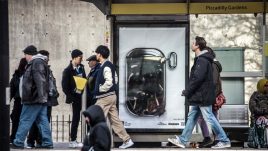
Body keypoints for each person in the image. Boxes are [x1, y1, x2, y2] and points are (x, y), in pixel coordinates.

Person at [167, 36, 231, 149]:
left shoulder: (202, 60)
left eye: (193, 43)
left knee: (209, 117)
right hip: (200, 95)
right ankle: (182, 140)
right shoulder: (202, 59)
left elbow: (197, 78)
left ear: (197, 46)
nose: (192, 44)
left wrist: (188, 91)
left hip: (202, 95)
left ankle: (224, 140)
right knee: (192, 116)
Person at [12, 45, 53, 149]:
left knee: (25, 119)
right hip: (39, 98)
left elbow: (40, 81)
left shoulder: (36, 62)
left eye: (25, 54)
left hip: (33, 99)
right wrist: (43, 98)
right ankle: (48, 143)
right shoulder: (39, 62)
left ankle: (18, 141)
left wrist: (41, 97)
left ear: (29, 54)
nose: (25, 57)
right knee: (42, 121)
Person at [94, 45, 134, 149]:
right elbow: (115, 79)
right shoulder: (109, 65)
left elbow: (110, 82)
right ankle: (127, 140)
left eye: (96, 53)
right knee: (115, 121)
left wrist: (100, 88)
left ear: (100, 54)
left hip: (104, 97)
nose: (95, 55)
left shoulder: (105, 66)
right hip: (111, 96)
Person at [26, 50, 59, 148]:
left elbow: (51, 85)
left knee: (42, 121)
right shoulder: (40, 68)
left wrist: (55, 93)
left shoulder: (47, 69)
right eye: (47, 57)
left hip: (46, 100)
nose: (48, 59)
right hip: (42, 100)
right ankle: (32, 141)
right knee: (38, 121)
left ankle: (38, 141)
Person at [197, 47, 223, 148]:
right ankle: (210, 138)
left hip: (210, 95)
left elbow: (213, 82)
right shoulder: (210, 64)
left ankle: (216, 139)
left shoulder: (212, 65)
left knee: (210, 118)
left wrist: (208, 95)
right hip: (210, 94)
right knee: (205, 117)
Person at [62, 49, 86, 148]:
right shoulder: (67, 70)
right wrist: (71, 96)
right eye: (80, 58)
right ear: (74, 58)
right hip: (75, 98)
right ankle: (73, 139)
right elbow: (64, 86)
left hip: (82, 97)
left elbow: (84, 79)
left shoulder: (81, 68)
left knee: (85, 117)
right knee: (75, 118)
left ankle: (86, 138)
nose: (81, 60)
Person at [10, 58, 28, 143]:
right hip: (18, 101)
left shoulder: (29, 75)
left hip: (27, 101)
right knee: (15, 119)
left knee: (25, 120)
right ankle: (14, 137)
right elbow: (11, 89)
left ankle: (23, 139)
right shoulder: (16, 75)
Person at [248, 78, 268, 148]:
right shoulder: (255, 96)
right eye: (265, 85)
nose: (267, 87)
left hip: (266, 117)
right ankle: (262, 142)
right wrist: (263, 113)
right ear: (261, 86)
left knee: (264, 120)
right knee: (262, 121)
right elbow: (253, 108)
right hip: (257, 118)